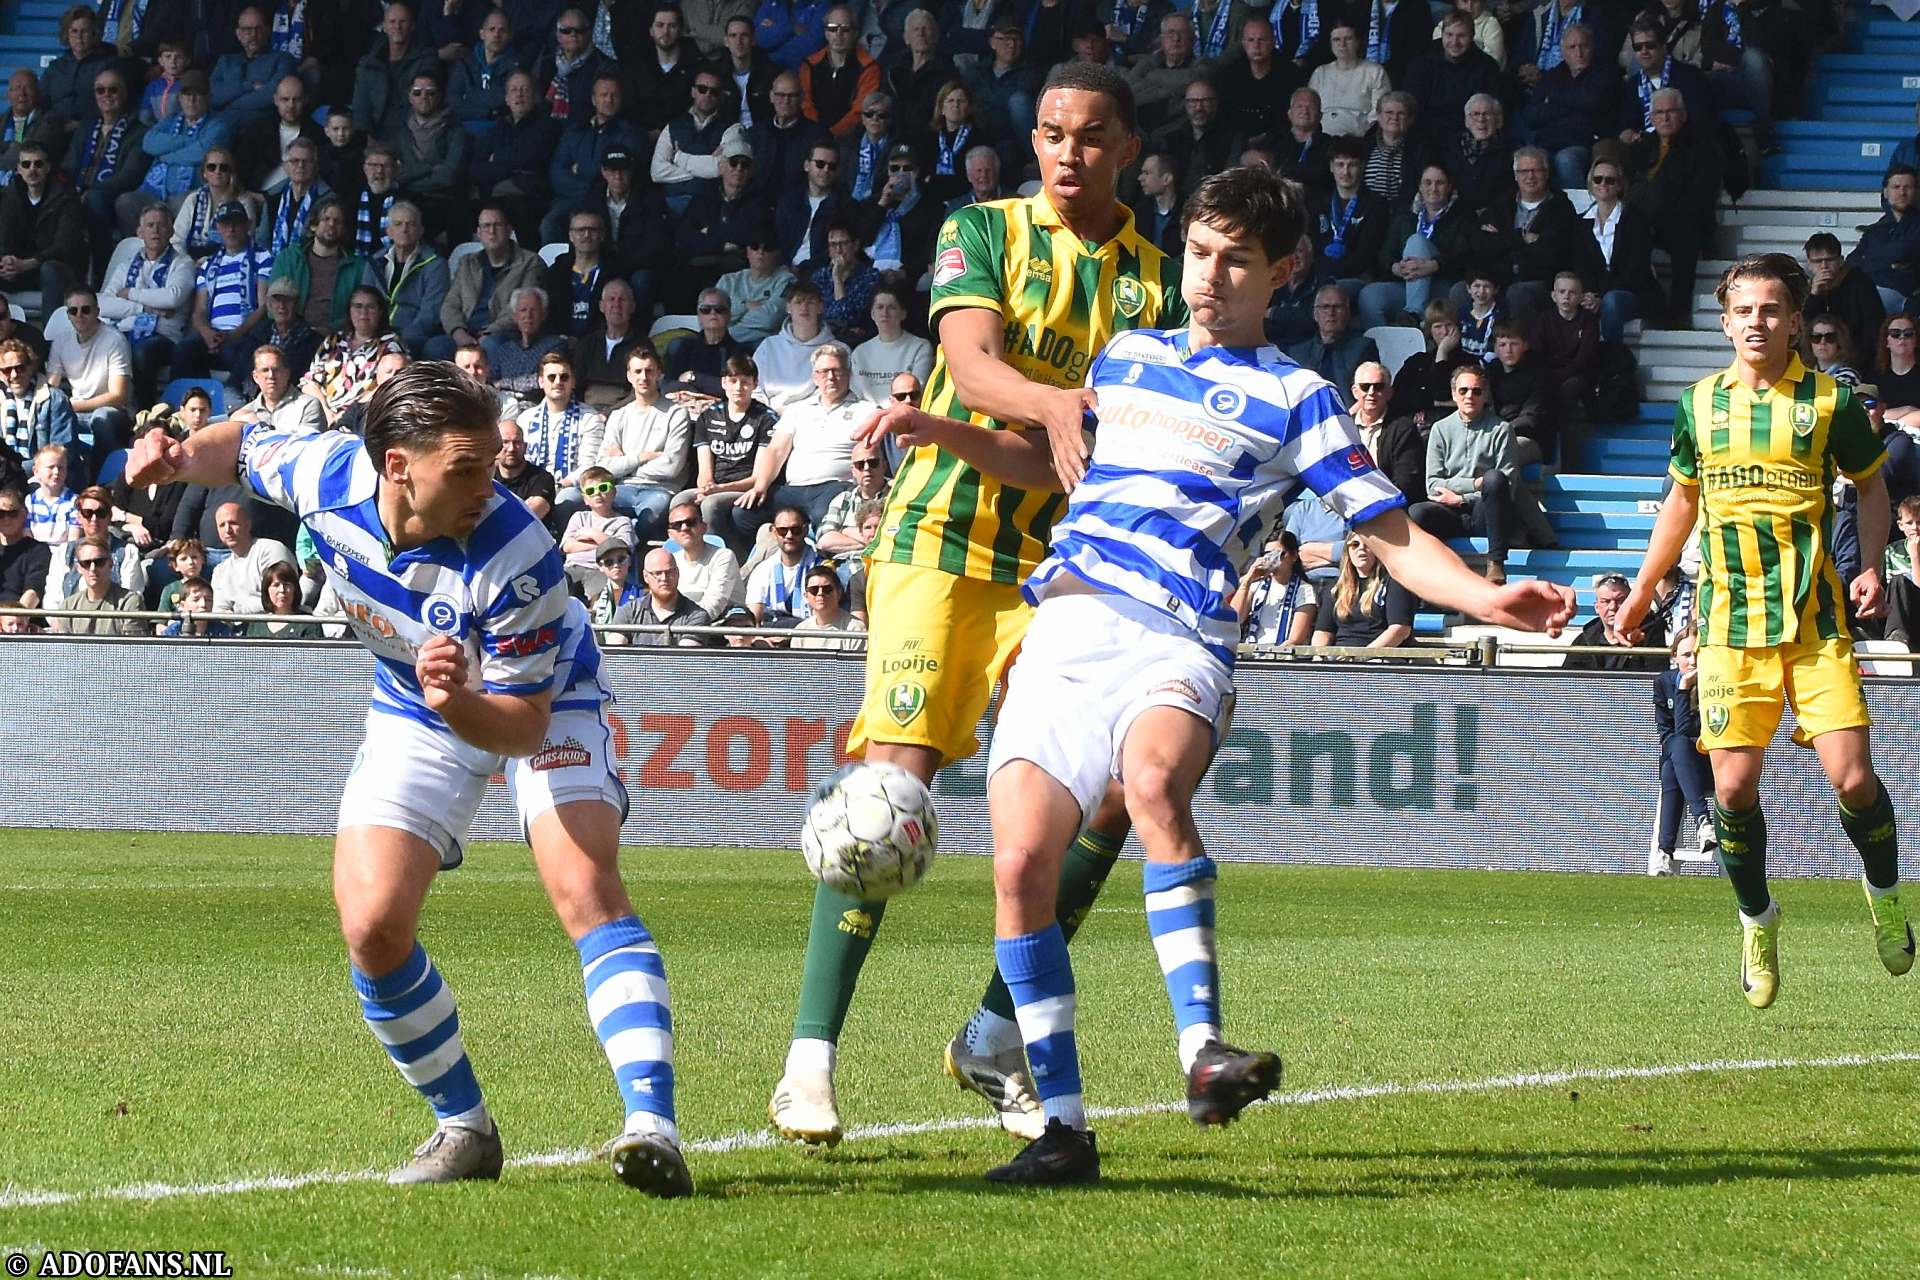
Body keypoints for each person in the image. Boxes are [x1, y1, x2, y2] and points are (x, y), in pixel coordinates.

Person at [862, 165, 1572, 1183]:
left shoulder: (1299, 396)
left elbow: (1390, 532)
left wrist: (1484, 594)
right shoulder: (1129, 356)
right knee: (1020, 867)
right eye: (1199, 251)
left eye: (1236, 259)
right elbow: (1052, 465)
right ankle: (1063, 1128)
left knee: (1149, 785)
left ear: (1281, 271)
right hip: (1065, 625)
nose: (1209, 274)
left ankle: (1202, 1050)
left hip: (1178, 633)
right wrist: (949, 433)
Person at [123, 361, 695, 1194]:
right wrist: (179, 458)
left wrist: (460, 698)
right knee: (373, 927)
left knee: (584, 887)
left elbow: (524, 724)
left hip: (540, 698)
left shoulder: (519, 553)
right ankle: (464, 1129)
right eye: (465, 468)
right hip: (415, 700)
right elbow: (244, 445)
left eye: (491, 461)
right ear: (396, 465)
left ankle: (653, 1124)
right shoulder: (326, 471)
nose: (487, 486)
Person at [767, 62, 1188, 1151]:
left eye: (1091, 137)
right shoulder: (981, 230)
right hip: (941, 543)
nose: (1065, 152)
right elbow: (971, 359)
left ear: (1127, 148)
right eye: (1051, 131)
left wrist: (1055, 430)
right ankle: (808, 1063)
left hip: (1060, 560)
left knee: (1102, 803)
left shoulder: (1155, 285)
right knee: (892, 792)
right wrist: (1049, 405)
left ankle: (995, 1033)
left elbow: (1064, 468)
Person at [1615, 253, 1908, 1011]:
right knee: (1734, 790)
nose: (1757, 322)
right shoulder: (1700, 405)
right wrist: (1645, 587)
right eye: (1743, 310)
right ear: (1724, 321)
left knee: (1852, 777)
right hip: (1727, 629)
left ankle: (1885, 895)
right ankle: (1757, 918)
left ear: (1794, 321)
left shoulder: (1826, 403)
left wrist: (1870, 562)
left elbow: (1871, 486)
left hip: (1814, 624)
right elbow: (1681, 501)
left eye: (1771, 310)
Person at [1407, 363, 1519, 582]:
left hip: (1484, 510)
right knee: (1417, 512)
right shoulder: (1440, 429)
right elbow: (1433, 484)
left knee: (1494, 479)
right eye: (1463, 390)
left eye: (1476, 391)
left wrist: (1463, 498)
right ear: (1453, 394)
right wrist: (1475, 484)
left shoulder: (1502, 430)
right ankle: (1427, 580)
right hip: (1449, 510)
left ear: (1485, 395)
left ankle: (1496, 563)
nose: (1470, 396)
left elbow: (1508, 487)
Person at [681, 355, 778, 546]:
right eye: (733, 381)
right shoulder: (708, 416)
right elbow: (704, 472)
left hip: (745, 488)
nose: (738, 387)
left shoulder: (766, 418)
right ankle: (680, 557)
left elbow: (757, 477)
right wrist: (707, 487)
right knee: (681, 500)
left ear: (755, 384)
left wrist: (718, 490)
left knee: (711, 505)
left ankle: (723, 556)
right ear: (724, 382)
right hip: (715, 486)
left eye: (745, 382)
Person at [599, 348, 690, 539]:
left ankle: (621, 548)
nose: (644, 377)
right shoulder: (618, 416)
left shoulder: (676, 413)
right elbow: (604, 467)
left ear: (659, 373)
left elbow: (671, 467)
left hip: (659, 490)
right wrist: (640, 457)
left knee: (651, 515)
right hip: (621, 488)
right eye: (637, 371)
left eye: (649, 371)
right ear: (629, 376)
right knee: (584, 501)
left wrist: (625, 464)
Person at [1649, 623, 1716, 877]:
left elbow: (1693, 731)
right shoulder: (1664, 682)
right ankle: (1702, 823)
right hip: (1680, 761)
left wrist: (1687, 689)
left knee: (1673, 763)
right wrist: (1682, 689)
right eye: (1687, 654)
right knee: (1674, 753)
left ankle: (1664, 854)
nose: (1693, 660)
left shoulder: (1714, 683)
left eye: (1698, 653)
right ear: (1674, 656)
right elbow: (1671, 732)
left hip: (1709, 763)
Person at [302, 287, 408, 424]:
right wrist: (327, 413)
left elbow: (389, 386)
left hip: (363, 416)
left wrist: (348, 414)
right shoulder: (334, 340)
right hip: (323, 413)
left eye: (370, 307)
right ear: (349, 310)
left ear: (380, 312)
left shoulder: (390, 344)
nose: (364, 313)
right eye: (358, 306)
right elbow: (309, 382)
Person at [1310, 530, 1416, 650]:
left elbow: (1400, 630)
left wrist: (1362, 657)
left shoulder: (1394, 582)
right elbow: (1323, 631)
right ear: (1347, 551)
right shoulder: (1335, 587)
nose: (1361, 549)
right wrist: (1319, 656)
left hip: (1380, 656)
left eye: (1368, 545)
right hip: (1341, 656)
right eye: (1355, 545)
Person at [1564, 571, 1667, 672]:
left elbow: (1656, 678)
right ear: (1596, 607)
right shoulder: (1583, 641)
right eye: (1606, 601)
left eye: (1620, 600)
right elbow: (1564, 681)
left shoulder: (1649, 634)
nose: (1613, 607)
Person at [1233, 528, 1317, 646]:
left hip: (1282, 656)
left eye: (1279, 554)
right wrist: (1247, 581)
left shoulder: (1304, 590)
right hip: (1251, 650)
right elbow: (1234, 619)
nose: (1273, 559)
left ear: (1294, 556)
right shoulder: (1255, 586)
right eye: (1267, 554)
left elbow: (1296, 639)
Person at [54, 534, 151, 635]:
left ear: (110, 564)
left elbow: (134, 648)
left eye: (99, 562)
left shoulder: (129, 602)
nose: (92, 568)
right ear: (79, 568)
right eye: (86, 563)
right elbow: (65, 648)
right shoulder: (68, 606)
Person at [664, 499, 743, 616]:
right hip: (685, 624)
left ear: (703, 527)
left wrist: (684, 624)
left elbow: (715, 604)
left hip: (724, 623)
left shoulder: (723, 557)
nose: (684, 528)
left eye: (690, 522)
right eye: (677, 525)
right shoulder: (672, 562)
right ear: (670, 534)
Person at [627, 546, 716, 645]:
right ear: (646, 576)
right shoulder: (629, 611)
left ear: (677, 573)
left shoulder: (697, 616)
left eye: (669, 572)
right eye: (657, 573)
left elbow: (683, 657)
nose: (664, 578)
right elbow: (613, 652)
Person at [790, 561, 864, 649]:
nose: (820, 593)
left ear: (839, 593)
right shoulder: (800, 631)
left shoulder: (855, 629)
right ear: (806, 595)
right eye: (814, 590)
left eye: (827, 589)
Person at [493, 418, 556, 522]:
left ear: (525, 447)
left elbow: (527, 517)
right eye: (505, 442)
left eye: (517, 442)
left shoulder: (542, 479)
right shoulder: (486, 477)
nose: (511, 448)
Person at [246, 558, 324, 637]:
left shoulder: (309, 624)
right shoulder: (256, 624)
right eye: (276, 585)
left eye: (287, 585)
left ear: (295, 589)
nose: (282, 590)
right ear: (267, 590)